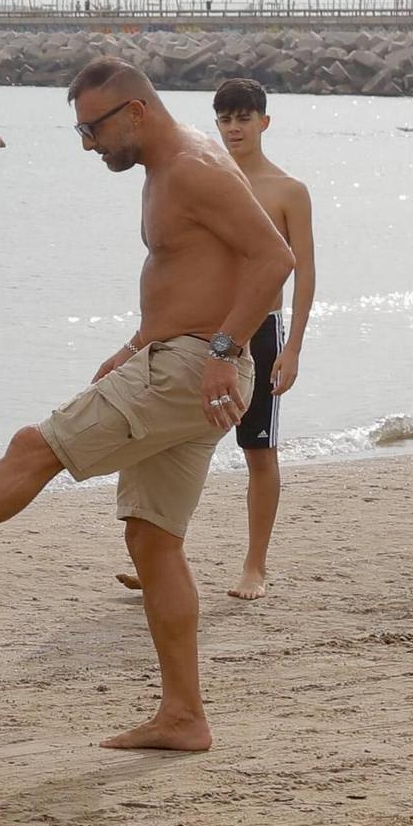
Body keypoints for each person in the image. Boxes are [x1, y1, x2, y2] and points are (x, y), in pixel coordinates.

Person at [0, 57, 293, 751]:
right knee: (154, 540)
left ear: (135, 112)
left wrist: (220, 352)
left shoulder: (190, 166)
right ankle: (185, 715)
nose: (88, 143)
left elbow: (274, 258)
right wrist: (134, 345)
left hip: (193, 367)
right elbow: (196, 271)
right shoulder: (172, 167)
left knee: (34, 448)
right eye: (79, 131)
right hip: (181, 361)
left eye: (93, 128)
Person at [119, 78, 314, 601]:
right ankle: (161, 557)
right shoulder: (204, 176)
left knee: (257, 450)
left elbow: (302, 273)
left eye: (244, 118)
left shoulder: (287, 190)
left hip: (262, 333)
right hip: (199, 331)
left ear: (264, 123)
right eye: (226, 118)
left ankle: (255, 566)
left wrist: (293, 347)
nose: (234, 128)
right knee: (175, 443)